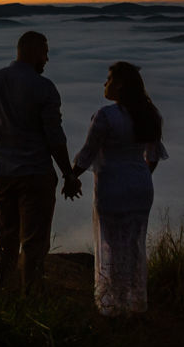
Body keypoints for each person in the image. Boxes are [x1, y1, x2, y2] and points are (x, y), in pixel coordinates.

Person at [0, 31, 81, 294]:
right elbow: (54, 137)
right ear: (34, 52)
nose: (47, 59)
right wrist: (68, 173)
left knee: (5, 238)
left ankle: (3, 292)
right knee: (34, 242)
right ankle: (31, 296)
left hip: (3, 174)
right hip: (36, 175)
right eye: (45, 53)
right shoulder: (44, 88)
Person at [70, 62, 167, 316]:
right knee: (134, 244)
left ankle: (114, 304)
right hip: (141, 186)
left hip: (112, 186)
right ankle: (134, 301)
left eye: (109, 79)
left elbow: (87, 154)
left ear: (120, 85)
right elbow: (153, 156)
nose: (105, 84)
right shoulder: (149, 115)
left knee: (112, 245)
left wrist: (70, 177)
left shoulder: (105, 116)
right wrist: (139, 175)